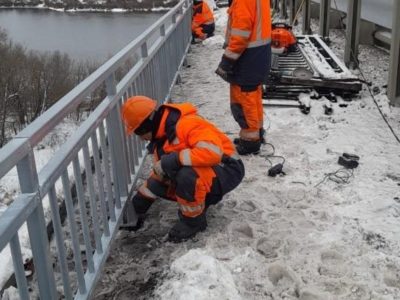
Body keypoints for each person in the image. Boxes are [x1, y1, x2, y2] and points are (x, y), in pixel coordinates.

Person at [121, 96, 245, 242]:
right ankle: (200, 200)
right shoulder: (162, 136)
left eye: (138, 132)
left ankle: (193, 222)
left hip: (228, 168)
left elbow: (213, 154)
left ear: (146, 125)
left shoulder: (186, 124)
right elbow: (161, 175)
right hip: (210, 170)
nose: (141, 138)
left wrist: (173, 160)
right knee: (169, 171)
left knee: (186, 175)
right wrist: (137, 206)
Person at [215, 0, 272, 155]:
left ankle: (250, 142)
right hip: (259, 54)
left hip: (248, 57)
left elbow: (241, 34)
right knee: (253, 96)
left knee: (244, 99)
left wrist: (227, 61)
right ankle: (257, 133)